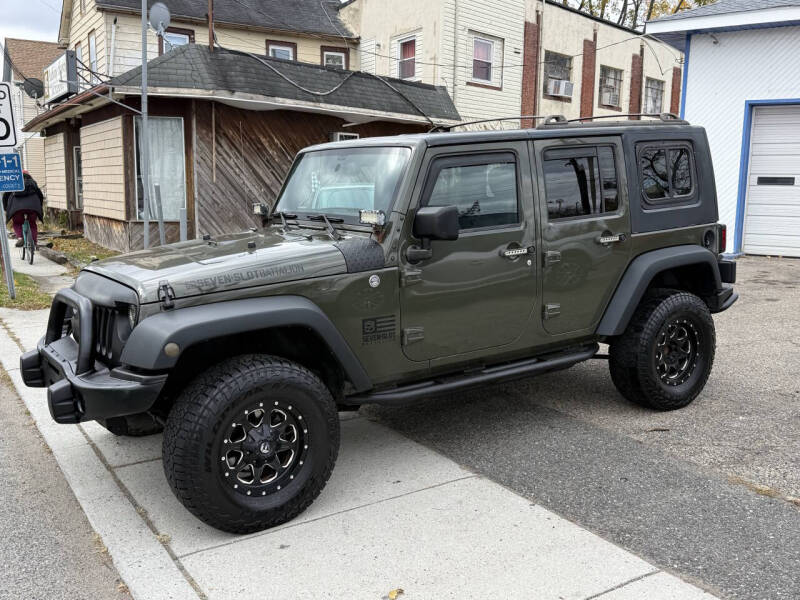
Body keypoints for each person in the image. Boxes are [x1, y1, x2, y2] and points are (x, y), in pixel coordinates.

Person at [3, 170, 44, 248]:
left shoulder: (14, 183)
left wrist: (6, 208)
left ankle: (20, 238)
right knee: (32, 224)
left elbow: (6, 196)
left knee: (17, 223)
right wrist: (39, 207)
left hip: (17, 209)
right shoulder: (33, 183)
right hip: (33, 207)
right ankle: (34, 243)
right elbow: (40, 195)